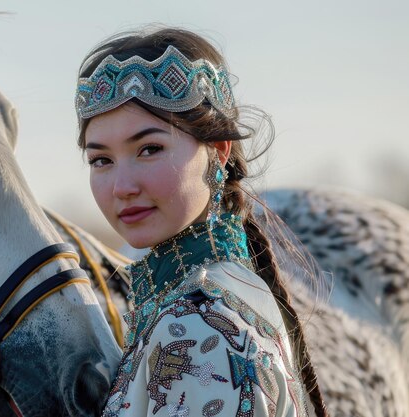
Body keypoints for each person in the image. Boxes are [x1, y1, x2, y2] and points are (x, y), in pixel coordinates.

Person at [74, 28, 328, 417]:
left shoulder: (193, 327)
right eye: (101, 160)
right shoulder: (225, 287)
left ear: (218, 152)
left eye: (149, 149)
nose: (121, 187)